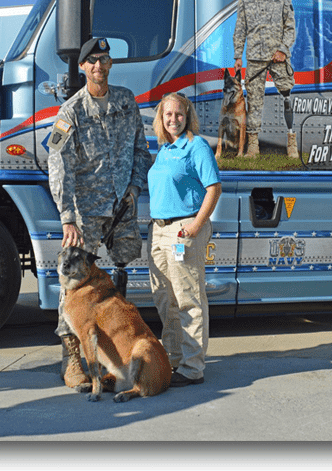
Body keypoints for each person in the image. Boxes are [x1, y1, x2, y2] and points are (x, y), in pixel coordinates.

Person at [48, 37, 152, 389]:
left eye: (104, 60)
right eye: (91, 61)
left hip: (121, 207)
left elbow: (141, 147)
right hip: (86, 213)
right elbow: (59, 165)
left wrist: (135, 189)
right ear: (82, 67)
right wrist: (68, 217)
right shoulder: (71, 113)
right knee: (76, 288)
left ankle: (112, 357)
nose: (98, 66)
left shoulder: (125, 101)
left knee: (119, 282)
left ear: (111, 65)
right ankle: (72, 361)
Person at [147, 92, 221, 386]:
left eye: (179, 114)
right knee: (165, 298)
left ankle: (193, 368)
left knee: (188, 299)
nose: (173, 120)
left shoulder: (196, 146)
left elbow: (213, 189)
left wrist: (195, 226)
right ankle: (174, 359)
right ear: (161, 120)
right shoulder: (165, 149)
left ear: (187, 116)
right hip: (159, 230)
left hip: (183, 230)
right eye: (168, 115)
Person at [233, 0, 298, 158]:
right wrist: (237, 56)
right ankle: (253, 145)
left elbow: (290, 27)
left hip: (278, 57)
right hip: (255, 58)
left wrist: (282, 50)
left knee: (287, 96)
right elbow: (240, 29)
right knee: (254, 101)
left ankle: (292, 141)